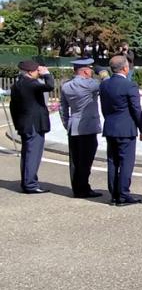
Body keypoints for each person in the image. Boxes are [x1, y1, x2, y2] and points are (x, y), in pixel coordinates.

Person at [100, 55, 142, 206]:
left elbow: (104, 107)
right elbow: (136, 109)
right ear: (125, 68)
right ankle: (123, 194)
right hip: (126, 128)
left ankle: (114, 194)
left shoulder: (104, 85)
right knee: (126, 162)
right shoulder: (129, 85)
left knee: (112, 161)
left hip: (110, 126)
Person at [59, 58, 103, 198]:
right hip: (87, 126)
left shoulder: (66, 86)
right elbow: (107, 85)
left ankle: (76, 187)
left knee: (75, 160)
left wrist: (67, 123)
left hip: (73, 125)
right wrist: (103, 73)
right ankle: (84, 188)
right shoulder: (91, 85)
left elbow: (62, 108)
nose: (91, 72)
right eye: (90, 69)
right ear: (85, 71)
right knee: (86, 159)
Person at [9, 59, 54, 193]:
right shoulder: (31, 83)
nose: (37, 72)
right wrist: (47, 74)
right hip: (34, 124)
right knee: (33, 154)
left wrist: (17, 123)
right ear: (29, 72)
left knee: (27, 154)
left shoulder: (17, 85)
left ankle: (27, 181)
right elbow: (50, 86)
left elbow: (13, 107)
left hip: (24, 123)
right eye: (36, 70)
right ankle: (30, 184)